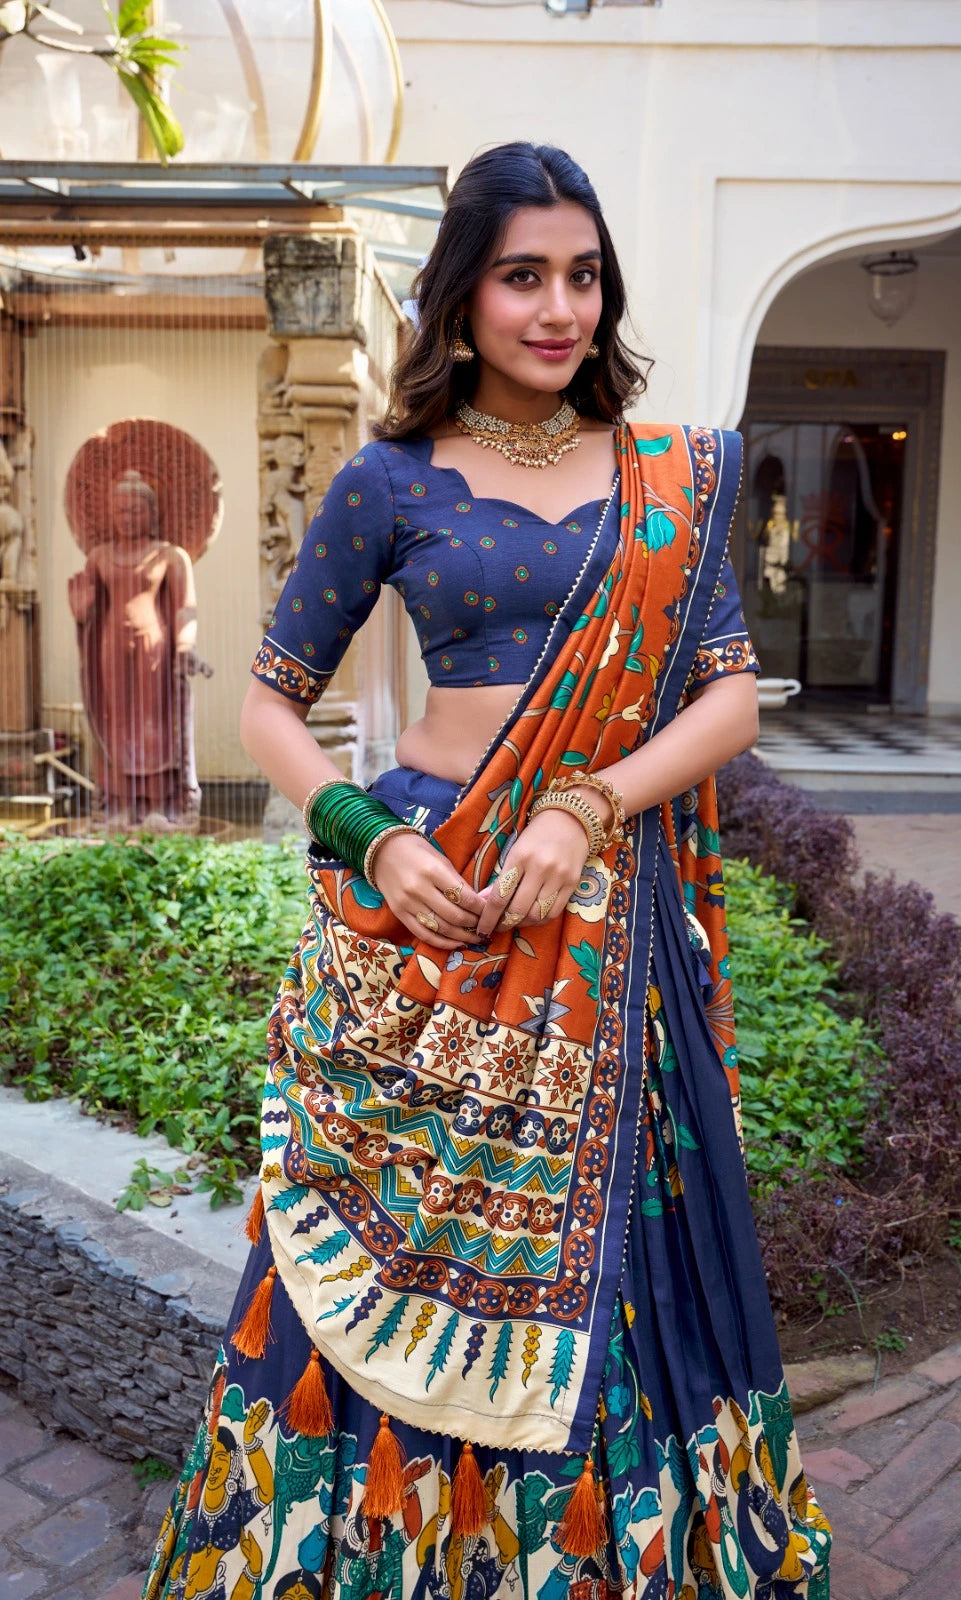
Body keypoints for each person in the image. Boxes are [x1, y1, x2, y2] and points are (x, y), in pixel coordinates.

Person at [143, 142, 831, 1600]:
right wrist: (370, 838)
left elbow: (725, 697)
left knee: (621, 1258)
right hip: (425, 913)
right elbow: (270, 696)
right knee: (396, 1250)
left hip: (598, 918)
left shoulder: (675, 476)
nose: (558, 307)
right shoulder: (389, 478)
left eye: (581, 275)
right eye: (523, 275)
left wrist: (586, 806)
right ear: (462, 298)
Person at [67, 467, 212, 830]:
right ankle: (119, 803)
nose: (127, 518)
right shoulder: (99, 557)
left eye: (135, 510)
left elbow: (185, 606)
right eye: (120, 511)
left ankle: (161, 803)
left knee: (154, 722)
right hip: (110, 647)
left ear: (152, 513)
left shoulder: (169, 556)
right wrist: (81, 613)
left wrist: (185, 645)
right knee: (116, 722)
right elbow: (90, 608)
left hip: (154, 646)